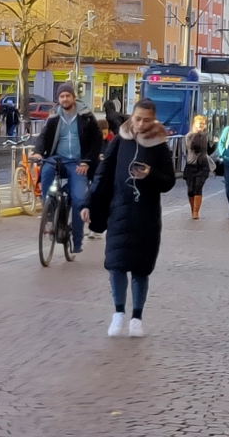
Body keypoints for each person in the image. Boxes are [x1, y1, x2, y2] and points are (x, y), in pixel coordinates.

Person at [81, 99, 176, 338]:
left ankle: (137, 318)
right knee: (116, 264)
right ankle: (118, 313)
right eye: (138, 118)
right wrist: (88, 202)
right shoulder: (120, 140)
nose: (141, 124)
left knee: (141, 269)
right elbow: (103, 173)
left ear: (153, 119)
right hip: (119, 210)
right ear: (131, 117)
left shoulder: (160, 145)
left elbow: (169, 181)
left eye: (147, 120)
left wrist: (150, 174)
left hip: (146, 215)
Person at [32, 83, 102, 254]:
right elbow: (43, 136)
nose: (65, 99)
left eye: (67, 96)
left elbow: (97, 139)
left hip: (78, 162)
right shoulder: (54, 116)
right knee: (46, 171)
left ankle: (77, 240)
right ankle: (49, 212)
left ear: (73, 97)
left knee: (79, 199)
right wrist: (38, 152)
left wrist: (86, 161)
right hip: (57, 158)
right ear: (58, 99)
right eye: (61, 96)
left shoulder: (85, 116)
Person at [183, 115, 214, 220]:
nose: (201, 125)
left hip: (203, 166)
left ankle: (196, 212)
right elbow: (192, 147)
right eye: (199, 123)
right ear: (194, 125)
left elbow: (209, 150)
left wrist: (213, 144)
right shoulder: (189, 136)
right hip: (191, 166)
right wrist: (197, 134)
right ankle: (192, 209)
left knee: (198, 187)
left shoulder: (205, 136)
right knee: (190, 190)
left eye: (203, 124)